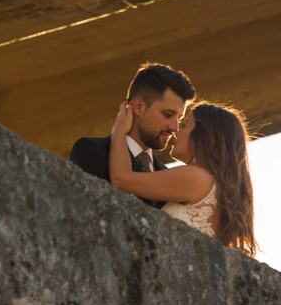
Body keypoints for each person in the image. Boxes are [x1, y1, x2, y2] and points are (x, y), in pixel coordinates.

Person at [109, 100, 256, 255]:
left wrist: (119, 132)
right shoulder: (215, 186)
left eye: (185, 124)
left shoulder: (194, 177)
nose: (176, 131)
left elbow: (120, 179)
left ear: (202, 137)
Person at [69, 63, 196, 207]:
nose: (174, 128)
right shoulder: (91, 151)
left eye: (179, 119)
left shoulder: (166, 176)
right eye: (168, 114)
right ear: (138, 107)